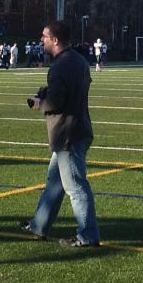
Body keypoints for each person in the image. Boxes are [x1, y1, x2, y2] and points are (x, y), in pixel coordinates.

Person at [21, 21, 100, 248]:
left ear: (55, 40)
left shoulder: (60, 66)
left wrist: (39, 103)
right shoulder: (78, 60)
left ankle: (88, 235)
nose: (41, 39)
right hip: (77, 128)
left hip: (67, 134)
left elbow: (56, 101)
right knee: (54, 183)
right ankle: (39, 225)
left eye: (45, 36)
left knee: (75, 187)